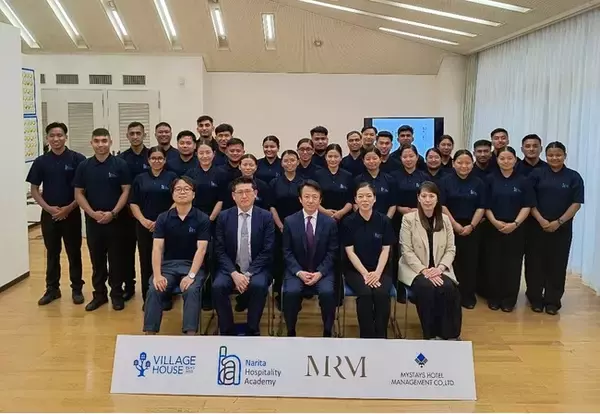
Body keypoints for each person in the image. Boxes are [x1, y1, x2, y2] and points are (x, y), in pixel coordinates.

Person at [26, 122, 85, 306]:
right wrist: (49, 208)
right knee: (52, 253)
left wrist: (68, 208)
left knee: (74, 252)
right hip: (49, 215)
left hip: (71, 213)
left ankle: (77, 288)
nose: (56, 139)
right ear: (47, 138)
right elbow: (34, 189)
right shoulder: (41, 162)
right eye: (52, 135)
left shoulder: (77, 159)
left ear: (66, 137)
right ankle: (52, 289)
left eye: (59, 135)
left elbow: (83, 190)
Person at [143, 176, 210, 335]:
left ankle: (190, 335)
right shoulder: (163, 218)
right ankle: (149, 334)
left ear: (193, 194)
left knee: (191, 289)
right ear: (172, 194)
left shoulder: (202, 218)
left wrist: (191, 275)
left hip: (192, 266)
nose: (182, 192)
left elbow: (201, 250)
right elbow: (157, 248)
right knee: (154, 288)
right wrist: (157, 275)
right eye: (178, 189)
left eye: (187, 189)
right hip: (168, 266)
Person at [73, 128, 131, 311]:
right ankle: (99, 295)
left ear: (110, 142)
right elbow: (78, 193)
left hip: (116, 221)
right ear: (91, 143)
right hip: (94, 222)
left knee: (116, 260)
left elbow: (126, 191)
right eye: (97, 141)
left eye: (104, 141)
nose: (100, 144)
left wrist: (113, 213)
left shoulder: (120, 164)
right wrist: (92, 213)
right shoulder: (84, 166)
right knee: (97, 260)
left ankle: (116, 295)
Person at [398, 181, 461, 340]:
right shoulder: (408, 219)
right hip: (415, 269)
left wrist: (439, 269)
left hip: (440, 268)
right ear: (418, 198)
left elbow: (451, 249)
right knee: (427, 288)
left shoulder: (445, 220)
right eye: (424, 196)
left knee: (449, 288)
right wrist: (424, 270)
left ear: (437, 198)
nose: (427, 200)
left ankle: (449, 334)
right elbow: (406, 250)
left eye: (431, 196)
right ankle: (430, 334)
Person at [213, 177, 275, 335]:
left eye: (248, 191)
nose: (244, 196)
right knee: (218, 286)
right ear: (233, 196)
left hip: (256, 268)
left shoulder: (266, 217)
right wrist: (234, 273)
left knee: (259, 285)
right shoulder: (224, 217)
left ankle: (252, 329)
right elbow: (219, 250)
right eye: (240, 192)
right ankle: (227, 329)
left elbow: (267, 250)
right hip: (230, 267)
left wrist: (247, 274)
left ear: (255, 193)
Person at [528, 142, 584, 315]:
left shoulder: (573, 177)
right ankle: (535, 299)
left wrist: (558, 222)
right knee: (535, 264)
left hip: (562, 229)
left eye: (558, 155)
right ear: (546, 156)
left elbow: (576, 203)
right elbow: (529, 200)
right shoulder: (537, 174)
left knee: (557, 265)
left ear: (565, 155)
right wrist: (541, 220)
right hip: (537, 227)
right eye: (551, 155)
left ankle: (552, 301)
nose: (554, 158)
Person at [282, 180, 338, 337]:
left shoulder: (330, 223)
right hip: (297, 271)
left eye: (315, 197)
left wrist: (320, 272)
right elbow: (286, 251)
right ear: (300, 199)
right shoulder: (290, 221)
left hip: (322, 271)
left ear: (320, 200)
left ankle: (327, 331)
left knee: (327, 293)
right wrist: (298, 272)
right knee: (291, 292)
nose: (311, 200)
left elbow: (332, 251)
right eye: (306, 197)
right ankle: (290, 331)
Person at [485, 146, 535, 312]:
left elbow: (527, 205)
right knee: (493, 263)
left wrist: (515, 224)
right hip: (493, 227)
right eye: (502, 158)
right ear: (497, 160)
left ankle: (509, 299)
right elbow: (485, 205)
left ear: (515, 160)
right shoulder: (490, 179)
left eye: (509, 158)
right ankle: (494, 297)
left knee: (513, 265)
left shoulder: (524, 180)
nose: (506, 161)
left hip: (517, 228)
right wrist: (495, 222)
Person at [343, 183, 394, 338]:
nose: (365, 200)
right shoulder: (348, 222)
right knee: (365, 293)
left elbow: (386, 250)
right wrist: (365, 274)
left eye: (368, 196)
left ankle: (381, 336)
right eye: (360, 196)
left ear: (374, 199)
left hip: (381, 269)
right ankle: (366, 336)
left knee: (381, 293)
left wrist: (377, 273)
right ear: (355, 200)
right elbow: (350, 252)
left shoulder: (384, 221)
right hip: (355, 270)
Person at [129, 147, 178, 305]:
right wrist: (143, 220)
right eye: (153, 158)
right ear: (148, 160)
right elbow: (133, 203)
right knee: (146, 261)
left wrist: (161, 221)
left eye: (160, 158)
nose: (157, 161)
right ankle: (148, 297)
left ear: (165, 160)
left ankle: (165, 296)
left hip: (167, 226)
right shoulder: (140, 178)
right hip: (144, 226)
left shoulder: (172, 177)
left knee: (165, 262)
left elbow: (177, 200)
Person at [440, 150, 485, 309]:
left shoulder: (479, 183)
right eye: (460, 162)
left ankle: (468, 296)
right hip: (449, 225)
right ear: (453, 164)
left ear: (472, 164)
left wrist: (471, 225)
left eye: (467, 163)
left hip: (473, 227)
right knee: (451, 261)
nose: (464, 166)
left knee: (470, 262)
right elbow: (442, 205)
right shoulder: (445, 181)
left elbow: (481, 206)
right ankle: (451, 296)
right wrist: (455, 225)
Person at [270, 150, 304, 309]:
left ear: (298, 162)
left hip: (300, 228)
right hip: (280, 228)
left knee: (300, 258)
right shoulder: (275, 182)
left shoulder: (304, 182)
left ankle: (298, 294)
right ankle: (279, 294)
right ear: (281, 163)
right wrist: (280, 225)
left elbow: (307, 205)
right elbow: (272, 206)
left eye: (292, 160)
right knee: (279, 261)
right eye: (286, 160)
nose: (289, 163)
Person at [118, 121, 149, 300]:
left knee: (148, 254)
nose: (135, 136)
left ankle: (152, 289)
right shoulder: (121, 159)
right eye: (132, 133)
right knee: (126, 252)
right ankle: (128, 286)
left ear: (144, 135)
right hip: (126, 214)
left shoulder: (152, 156)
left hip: (148, 214)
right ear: (127, 136)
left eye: (138, 133)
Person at [315, 144, 354, 223]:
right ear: (325, 157)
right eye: (330, 156)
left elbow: (350, 199)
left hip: (343, 217)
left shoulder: (348, 175)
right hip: (321, 217)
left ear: (341, 158)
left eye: (336, 156)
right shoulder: (317, 175)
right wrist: (325, 212)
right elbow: (314, 197)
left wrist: (341, 212)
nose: (333, 159)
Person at [354, 148, 397, 219]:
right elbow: (355, 204)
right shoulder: (357, 180)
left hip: (385, 220)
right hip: (362, 220)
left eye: (374, 158)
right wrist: (364, 218)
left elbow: (393, 204)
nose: (371, 161)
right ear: (363, 161)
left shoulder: (390, 179)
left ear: (380, 159)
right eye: (368, 159)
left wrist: (386, 220)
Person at [219, 138, 245, 209]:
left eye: (238, 151)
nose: (235, 153)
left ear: (243, 152)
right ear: (226, 152)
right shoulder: (219, 171)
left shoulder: (247, 171)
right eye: (232, 151)